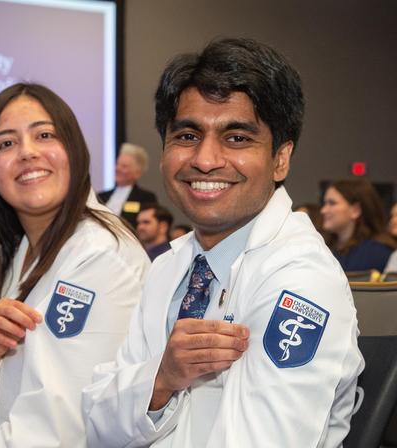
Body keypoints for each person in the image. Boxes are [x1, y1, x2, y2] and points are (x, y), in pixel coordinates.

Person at [83, 37, 363, 447]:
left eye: (237, 138)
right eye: (187, 136)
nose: (206, 159)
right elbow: (99, 426)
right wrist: (161, 380)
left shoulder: (301, 280)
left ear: (281, 158)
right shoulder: (170, 267)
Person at [0, 83, 150, 447]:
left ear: (74, 152)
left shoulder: (99, 255)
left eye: (44, 135)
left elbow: (57, 427)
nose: (27, 153)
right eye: (6, 144)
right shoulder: (24, 251)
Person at [321, 179, 395, 272]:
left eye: (332, 203)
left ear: (355, 210)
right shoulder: (324, 247)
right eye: (325, 203)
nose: (323, 210)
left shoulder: (375, 252)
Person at [98, 142, 157, 228]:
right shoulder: (101, 196)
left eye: (124, 166)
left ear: (137, 173)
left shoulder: (146, 198)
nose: (117, 169)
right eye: (117, 164)